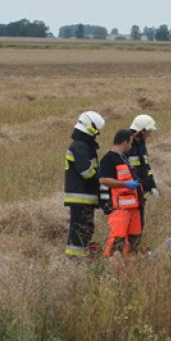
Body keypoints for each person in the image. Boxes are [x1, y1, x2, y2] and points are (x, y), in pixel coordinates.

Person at [63, 110, 105, 258]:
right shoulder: (79, 146)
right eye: (97, 131)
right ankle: (73, 260)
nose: (97, 134)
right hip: (81, 197)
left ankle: (79, 257)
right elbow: (87, 172)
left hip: (85, 197)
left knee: (85, 228)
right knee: (79, 229)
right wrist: (102, 179)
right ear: (90, 129)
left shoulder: (83, 146)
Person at [99, 129, 143, 258]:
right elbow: (104, 180)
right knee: (117, 240)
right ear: (124, 143)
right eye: (130, 143)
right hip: (119, 208)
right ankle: (110, 264)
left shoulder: (123, 159)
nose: (130, 146)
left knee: (134, 239)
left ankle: (129, 266)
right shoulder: (108, 159)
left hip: (133, 208)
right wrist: (125, 184)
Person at [128, 114, 159, 250]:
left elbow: (146, 168)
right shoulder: (127, 144)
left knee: (139, 222)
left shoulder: (141, 145)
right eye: (149, 132)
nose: (150, 135)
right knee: (130, 224)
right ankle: (128, 250)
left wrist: (152, 186)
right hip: (129, 193)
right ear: (143, 131)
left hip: (139, 193)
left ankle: (135, 249)